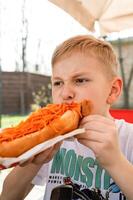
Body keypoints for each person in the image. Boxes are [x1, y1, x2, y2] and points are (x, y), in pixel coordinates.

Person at [0, 35, 133, 200]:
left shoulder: (129, 137)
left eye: (79, 80)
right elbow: (8, 196)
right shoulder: (53, 140)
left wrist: (115, 161)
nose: (65, 93)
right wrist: (33, 162)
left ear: (113, 90)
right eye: (58, 83)